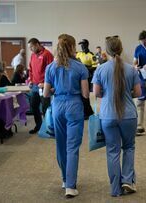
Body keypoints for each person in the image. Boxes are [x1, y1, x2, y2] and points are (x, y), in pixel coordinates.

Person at [92, 36, 141, 197]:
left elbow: (97, 93)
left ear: (106, 51)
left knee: (112, 151)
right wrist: (126, 92)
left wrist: (109, 92)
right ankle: (127, 179)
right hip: (128, 115)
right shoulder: (131, 69)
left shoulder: (100, 69)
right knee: (129, 147)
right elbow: (138, 93)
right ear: (121, 49)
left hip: (108, 115)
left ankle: (115, 189)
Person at [43, 34, 89, 198]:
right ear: (72, 47)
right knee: (72, 147)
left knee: (60, 145)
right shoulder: (80, 67)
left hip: (57, 106)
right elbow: (85, 94)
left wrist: (58, 89)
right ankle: (70, 185)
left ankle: (64, 179)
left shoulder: (50, 67)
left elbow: (46, 93)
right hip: (74, 106)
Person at [28, 38, 54, 134]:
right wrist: (30, 80)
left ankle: (47, 127)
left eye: (31, 47)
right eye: (29, 48)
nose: (30, 49)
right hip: (35, 86)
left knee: (45, 107)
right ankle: (38, 126)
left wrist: (46, 83)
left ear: (37, 44)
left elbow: (52, 71)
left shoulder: (47, 54)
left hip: (44, 86)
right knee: (34, 106)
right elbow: (30, 69)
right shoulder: (32, 56)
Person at [76, 39, 95, 119]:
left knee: (85, 95)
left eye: (83, 45)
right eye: (81, 45)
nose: (82, 46)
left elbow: (95, 66)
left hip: (87, 77)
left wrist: (85, 68)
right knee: (79, 95)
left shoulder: (91, 55)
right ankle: (83, 111)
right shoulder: (79, 54)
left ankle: (87, 112)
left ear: (87, 45)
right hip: (78, 77)